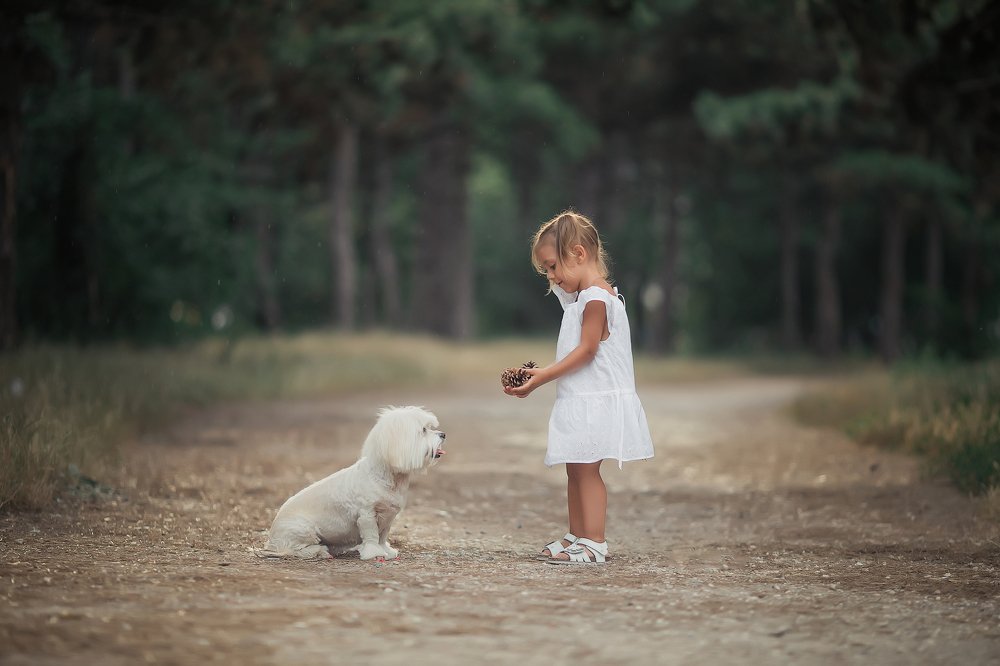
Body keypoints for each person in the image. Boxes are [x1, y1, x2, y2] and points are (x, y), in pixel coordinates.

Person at [504, 210, 654, 564]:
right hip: (581, 398)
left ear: (579, 254)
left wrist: (543, 377)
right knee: (576, 467)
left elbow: (587, 351)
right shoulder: (580, 298)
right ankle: (577, 534)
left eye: (553, 267)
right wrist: (542, 374)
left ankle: (596, 541)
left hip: (597, 401)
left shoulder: (596, 299)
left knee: (587, 471)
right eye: (547, 271)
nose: (552, 278)